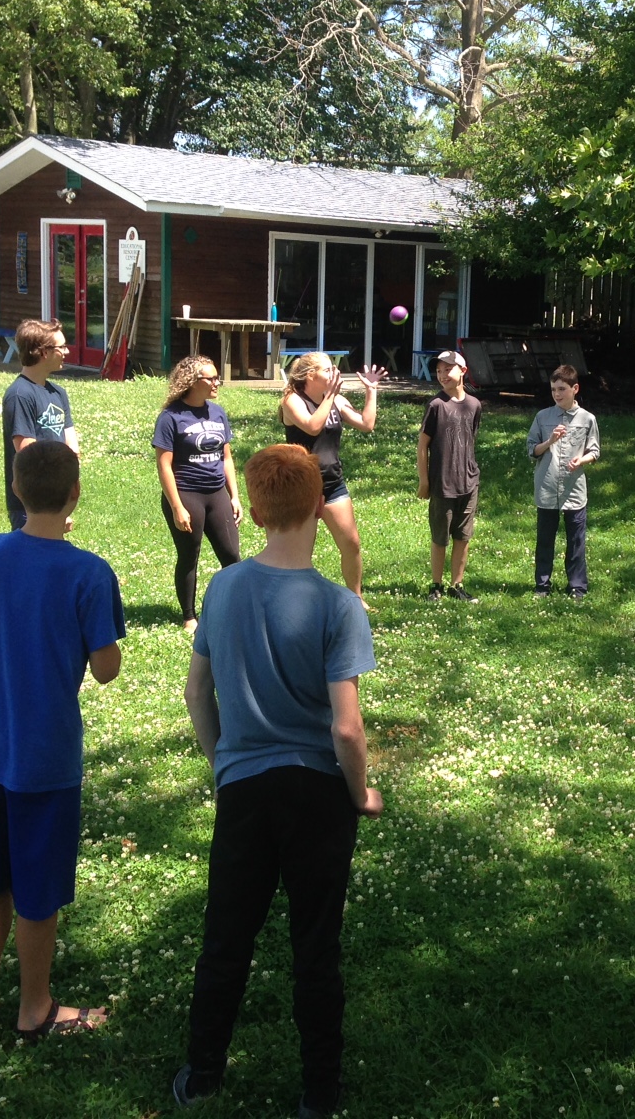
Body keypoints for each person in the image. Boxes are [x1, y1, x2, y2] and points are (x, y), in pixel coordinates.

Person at [172, 445, 381, 1114]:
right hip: (319, 794)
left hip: (245, 790)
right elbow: (346, 730)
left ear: (254, 511)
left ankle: (202, 1074)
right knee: (315, 946)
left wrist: (222, 764)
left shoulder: (224, 587)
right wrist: (361, 792)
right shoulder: (338, 605)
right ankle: (319, 1094)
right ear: (320, 505)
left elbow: (196, 692)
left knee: (227, 936)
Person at [0, 441, 124, 1041]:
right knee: (38, 888)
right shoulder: (88, 571)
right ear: (75, 494)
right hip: (47, 758)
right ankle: (34, 1008)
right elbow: (107, 667)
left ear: (16, 489)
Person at [281, 352, 386, 608]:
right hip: (302, 487)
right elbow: (312, 426)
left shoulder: (337, 399)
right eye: (328, 370)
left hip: (332, 483)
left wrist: (371, 391)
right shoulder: (292, 401)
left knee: (352, 544)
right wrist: (329, 398)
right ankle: (297, 602)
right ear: (310, 375)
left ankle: (356, 597)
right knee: (300, 550)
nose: (335, 373)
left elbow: (366, 423)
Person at [154, 355, 242, 633]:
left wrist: (235, 495)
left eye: (217, 377)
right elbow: (164, 465)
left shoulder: (217, 412)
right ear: (193, 382)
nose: (217, 382)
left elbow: (226, 457)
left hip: (216, 493)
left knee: (231, 555)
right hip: (186, 493)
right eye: (211, 378)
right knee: (189, 555)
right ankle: (189, 616)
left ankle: (232, 609)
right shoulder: (171, 417)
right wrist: (177, 506)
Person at [526, 364, 601, 599]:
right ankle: (542, 585)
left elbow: (595, 451)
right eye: (553, 390)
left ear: (575, 388)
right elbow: (532, 451)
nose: (557, 394)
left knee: (576, 541)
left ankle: (577, 586)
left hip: (574, 490)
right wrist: (550, 441)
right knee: (545, 540)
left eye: (562, 389)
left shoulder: (587, 419)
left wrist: (582, 460)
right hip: (547, 488)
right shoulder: (542, 417)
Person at [417, 350, 482, 603]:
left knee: (463, 536)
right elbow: (423, 445)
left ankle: (457, 585)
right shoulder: (435, 405)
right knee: (440, 537)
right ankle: (436, 585)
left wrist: (469, 473)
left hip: (468, 481)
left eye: (448, 369)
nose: (443, 375)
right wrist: (424, 480)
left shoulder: (474, 405)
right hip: (442, 483)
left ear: (463, 371)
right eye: (439, 370)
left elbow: (470, 438)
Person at [1, 319, 78, 531]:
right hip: (31, 506)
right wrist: (50, 511)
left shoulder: (58, 393)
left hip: (57, 499)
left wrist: (63, 505)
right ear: (43, 352)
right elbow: (29, 456)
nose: (66, 351)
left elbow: (72, 446)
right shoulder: (20, 395)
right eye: (61, 346)